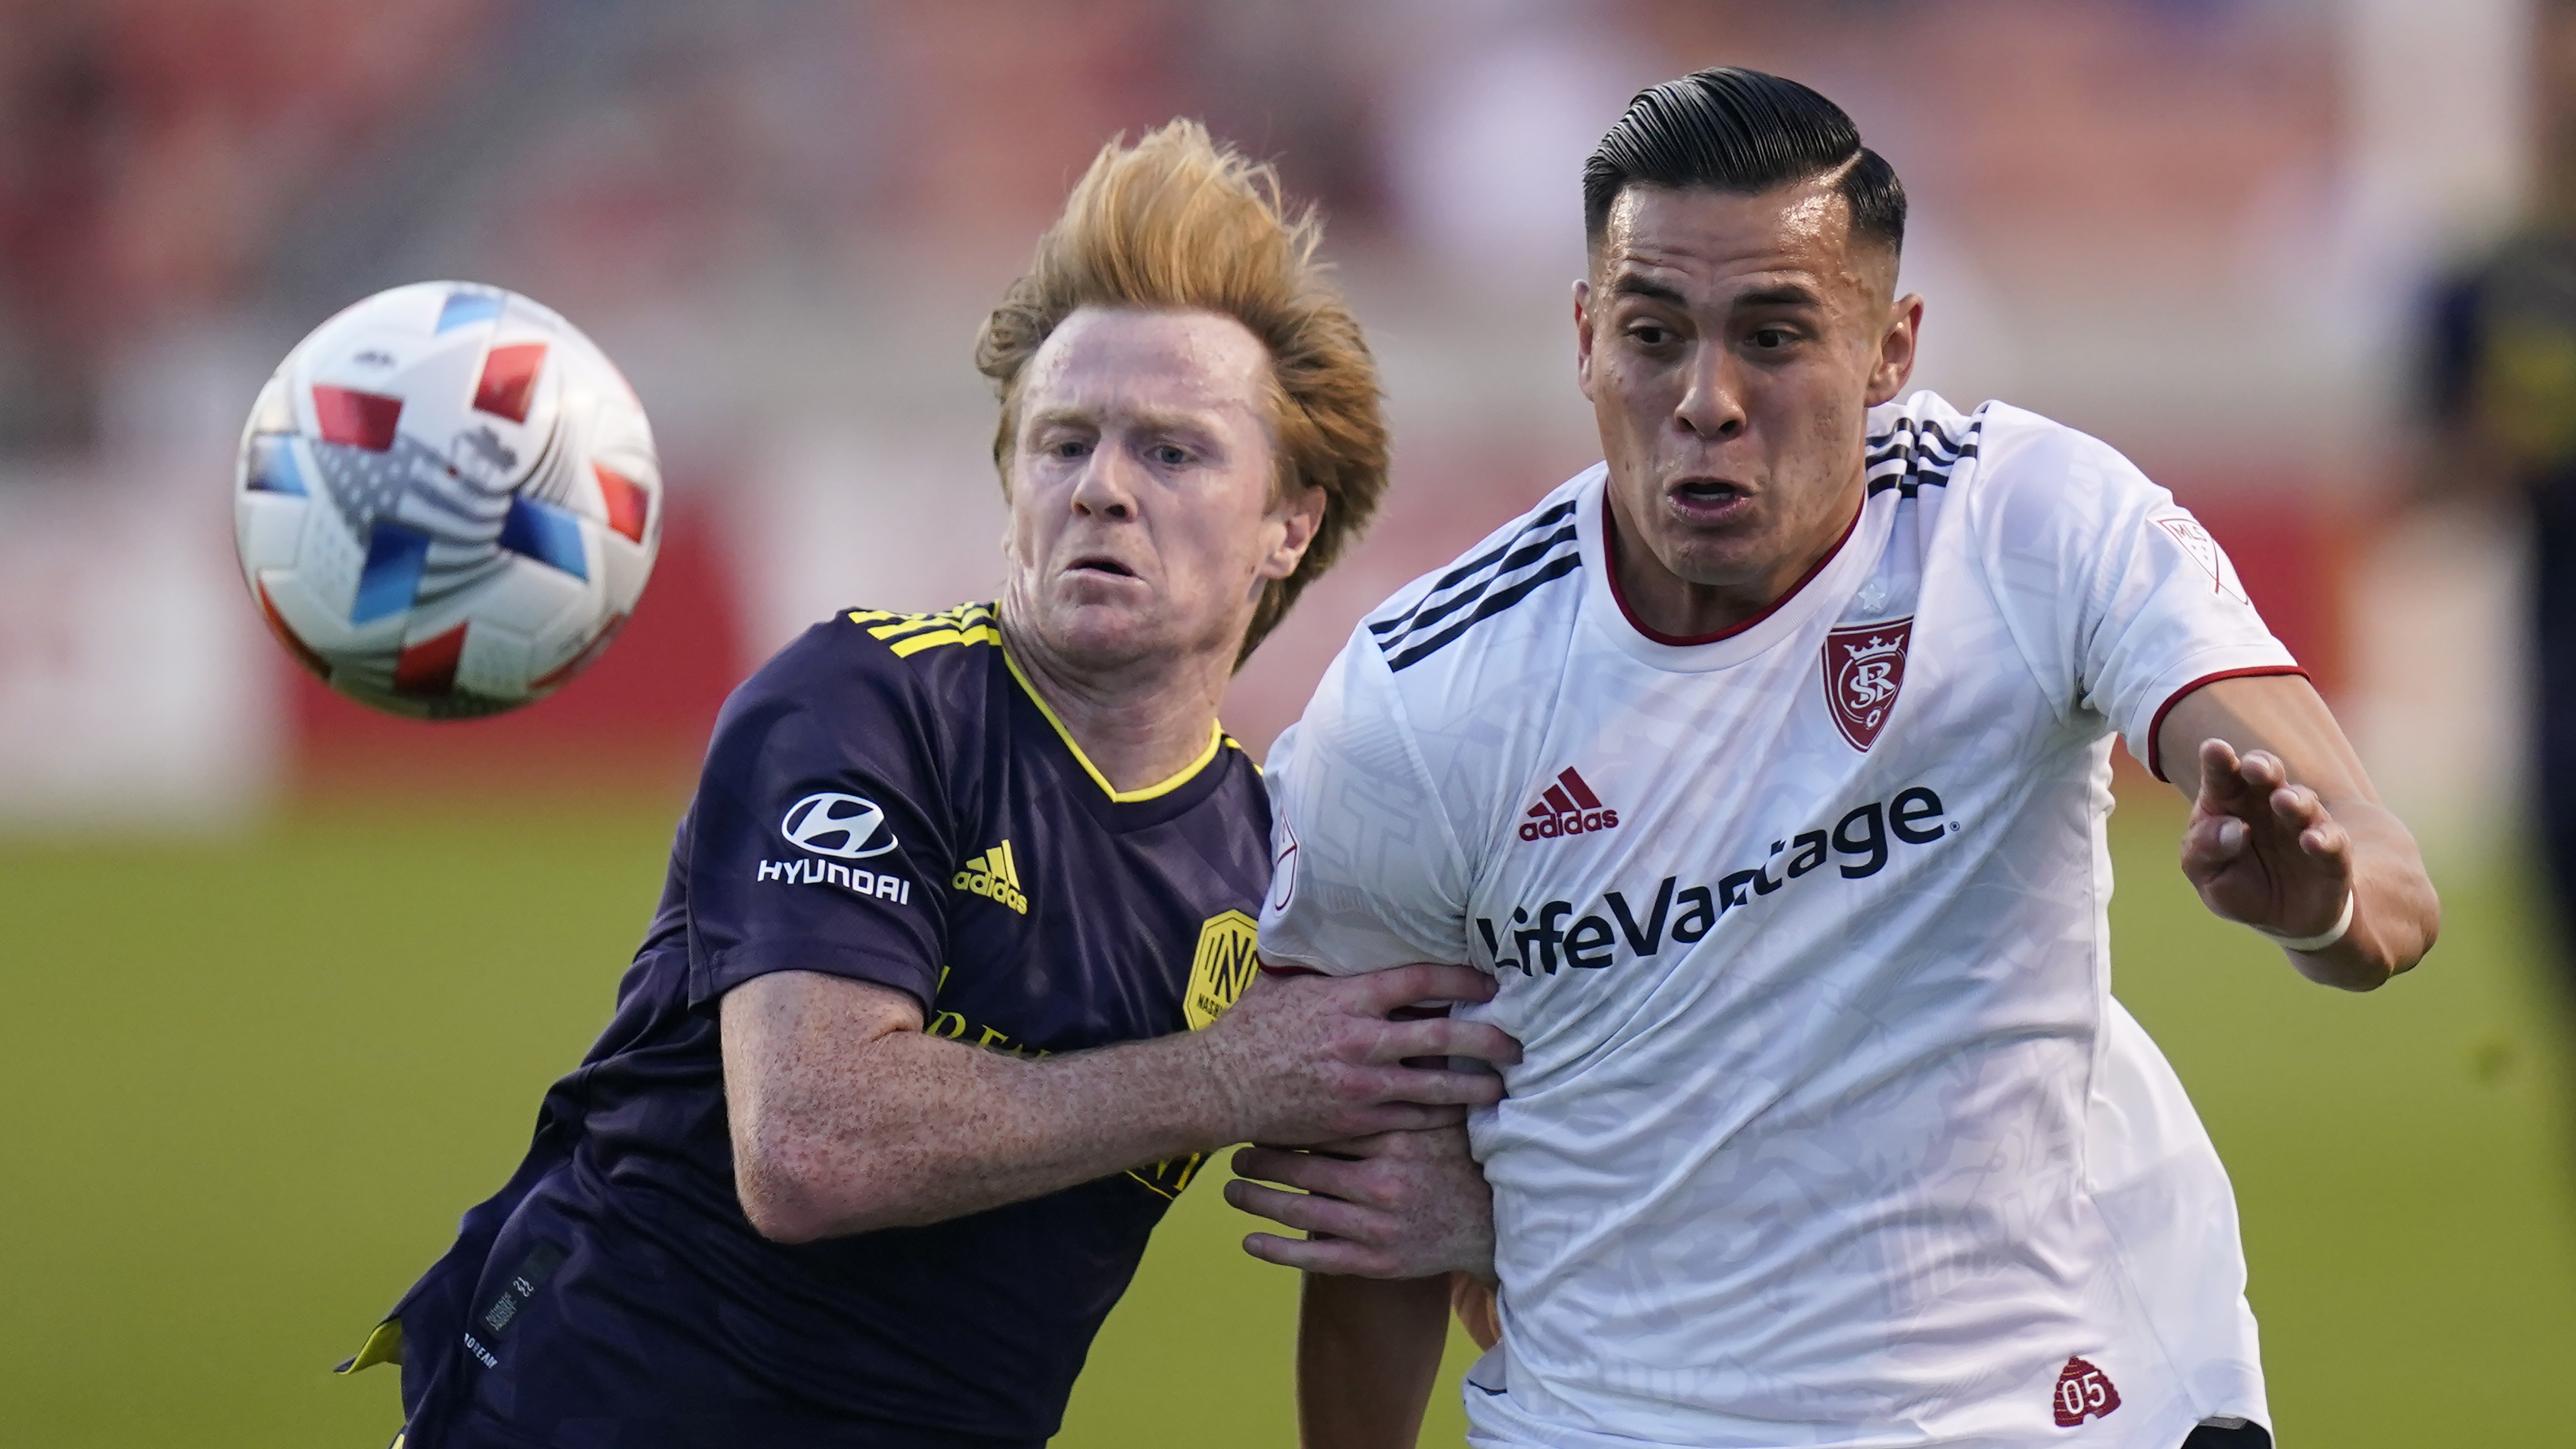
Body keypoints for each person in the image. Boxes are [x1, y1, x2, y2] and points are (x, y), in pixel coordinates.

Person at [1229, 69, 2439, 1449]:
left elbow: (2388, 880)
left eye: (1774, 335)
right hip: (1623, 1419)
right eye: (1652, 333)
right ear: (1582, 339)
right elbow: (1370, 1178)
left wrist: (2324, 904)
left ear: (1892, 348)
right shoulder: (1424, 699)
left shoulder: (2027, 527)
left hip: (2073, 1405)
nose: (1706, 398)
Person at [341, 121, 1518, 1449]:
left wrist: (1479, 1220)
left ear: (1290, 524)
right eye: (1063, 442)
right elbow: (812, 1147)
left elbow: (1414, 1218)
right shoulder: (864, 703)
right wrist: (1231, 1078)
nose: (1102, 491)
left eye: (1173, 453)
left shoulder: (1281, 861)